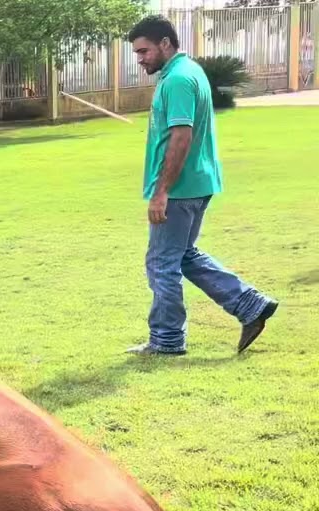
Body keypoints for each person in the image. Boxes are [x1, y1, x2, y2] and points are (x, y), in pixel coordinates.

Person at [126, 15, 278, 356]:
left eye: (144, 51)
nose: (140, 59)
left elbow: (182, 136)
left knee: (162, 263)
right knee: (184, 255)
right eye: (137, 53)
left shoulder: (178, 79)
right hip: (198, 182)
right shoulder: (188, 71)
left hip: (179, 188)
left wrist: (161, 190)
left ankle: (166, 340)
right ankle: (250, 304)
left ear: (165, 43)